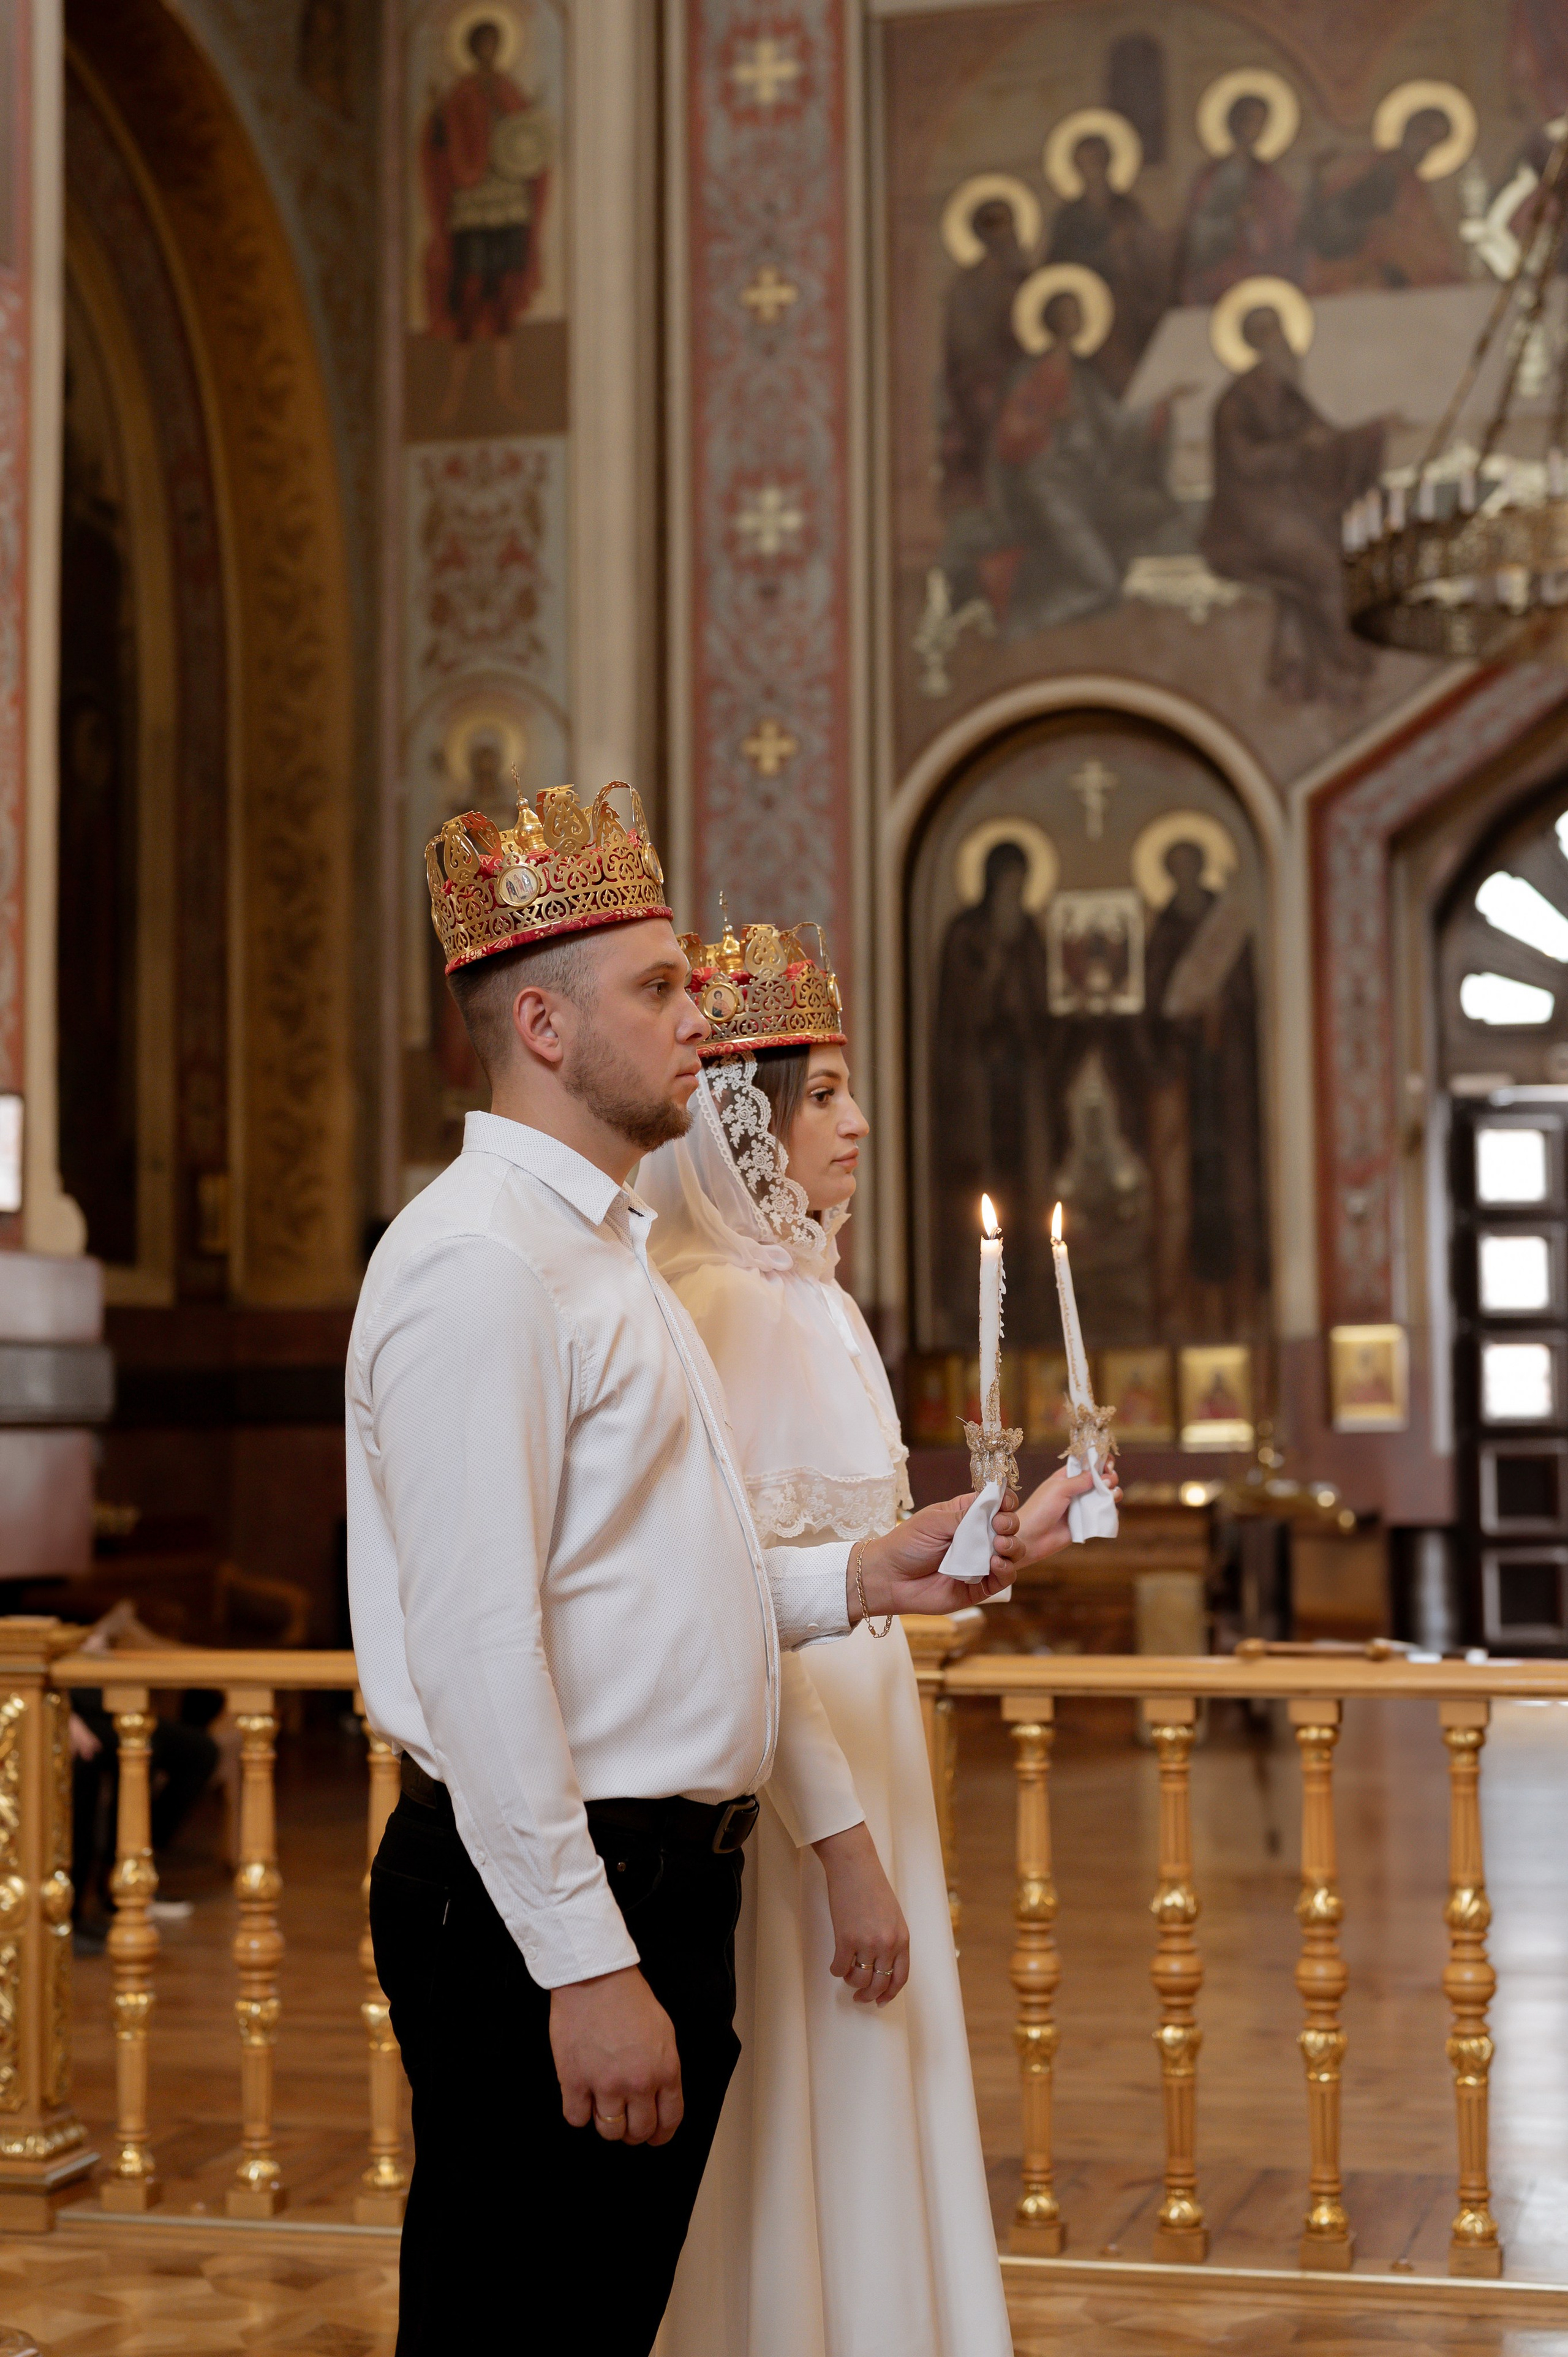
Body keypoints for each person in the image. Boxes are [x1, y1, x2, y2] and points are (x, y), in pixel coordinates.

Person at [349, 787, 1025, 2356]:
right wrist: (582, 1962)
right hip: (559, 1890)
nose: (693, 1017)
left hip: (667, 1873)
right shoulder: (476, 1267)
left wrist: (862, 1572)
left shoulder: (605, 1256)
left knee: (592, 2320)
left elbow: (658, 1578)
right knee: (519, 2322)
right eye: (656, 988)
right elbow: (480, 1649)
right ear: (539, 1020)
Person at [644, 915, 1099, 2357]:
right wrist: (839, 1849)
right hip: (793, 1787)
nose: (850, 1119)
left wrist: (1001, 1536)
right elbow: (739, 1606)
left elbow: (873, 1566)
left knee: (871, 2081)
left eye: (845, 1088)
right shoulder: (714, 1304)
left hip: (873, 1751)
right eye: (820, 1091)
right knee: (795, 2094)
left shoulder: (819, 1300)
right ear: (743, 1117)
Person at [1199, 300, 1384, 703]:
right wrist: (1296, 449)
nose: (1280, 342)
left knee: (1341, 550)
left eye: (1281, 330)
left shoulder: (1290, 396)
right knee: (1326, 566)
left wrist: (1368, 435)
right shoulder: (1236, 402)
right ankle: (1344, 663)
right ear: (1254, 343)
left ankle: (1298, 668)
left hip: (1293, 507)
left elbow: (1326, 441)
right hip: (1249, 517)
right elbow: (1246, 463)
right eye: (1269, 333)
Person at [1178, 91, 1300, 304]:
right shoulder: (1211, 177)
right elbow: (1198, 234)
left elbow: (1286, 219)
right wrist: (1233, 221)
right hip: (1221, 272)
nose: (1256, 130)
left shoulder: (1266, 175)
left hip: (1264, 268)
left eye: (1262, 123)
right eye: (1251, 121)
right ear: (1235, 124)